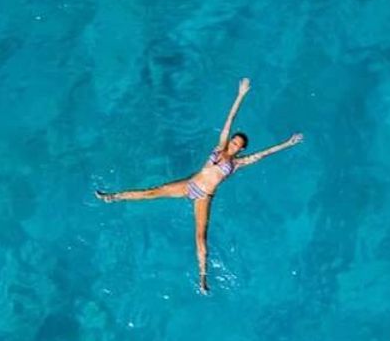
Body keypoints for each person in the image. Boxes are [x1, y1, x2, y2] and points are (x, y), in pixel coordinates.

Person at [97, 78, 303, 293]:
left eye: (237, 146)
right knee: (151, 192)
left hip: (203, 197)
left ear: (240, 150)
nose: (233, 146)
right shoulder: (220, 146)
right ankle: (113, 197)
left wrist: (287, 144)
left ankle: (203, 277)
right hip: (189, 185)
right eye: (233, 142)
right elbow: (229, 121)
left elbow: (263, 154)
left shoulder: (237, 163)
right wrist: (240, 95)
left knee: (200, 237)